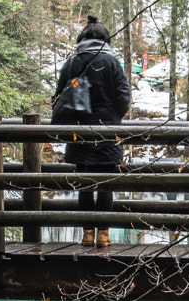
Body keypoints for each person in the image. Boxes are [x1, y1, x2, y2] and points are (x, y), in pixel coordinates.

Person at [51, 16, 131, 249]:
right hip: (108, 132)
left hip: (79, 131)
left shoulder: (72, 63)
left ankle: (87, 235)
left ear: (81, 40)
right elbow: (123, 96)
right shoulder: (112, 63)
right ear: (105, 40)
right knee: (105, 183)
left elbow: (58, 98)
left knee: (84, 184)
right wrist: (113, 115)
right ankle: (103, 235)